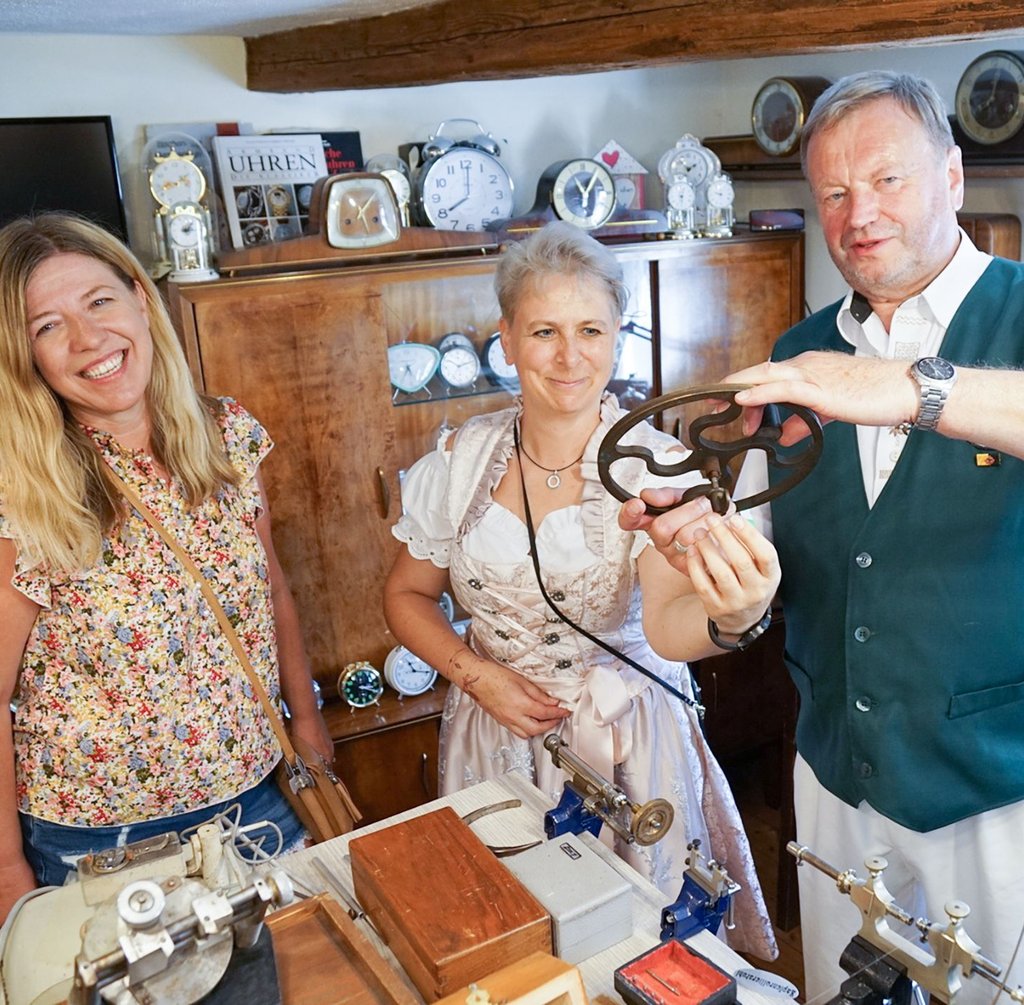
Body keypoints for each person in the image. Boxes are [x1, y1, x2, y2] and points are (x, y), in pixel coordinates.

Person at [623, 72, 1024, 1004]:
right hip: (838, 788)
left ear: (955, 179)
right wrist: (717, 571)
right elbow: (725, 585)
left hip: (998, 797)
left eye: (887, 181)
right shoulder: (797, 355)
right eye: (835, 193)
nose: (858, 214)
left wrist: (901, 388)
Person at [383, 221, 781, 959]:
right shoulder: (459, 461)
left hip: (632, 742)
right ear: (506, 337)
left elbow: (666, 629)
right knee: (518, 944)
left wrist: (734, 616)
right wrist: (482, 678)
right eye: (544, 330)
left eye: (591, 329)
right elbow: (406, 596)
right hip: (495, 735)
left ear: (618, 335)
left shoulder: (658, 469)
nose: (570, 356)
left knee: (647, 952)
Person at [0, 213, 333, 925]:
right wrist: (4, 871)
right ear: (25, 357)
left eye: (99, 301)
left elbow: (271, 587)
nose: (89, 339)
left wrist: (306, 720)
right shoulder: (21, 495)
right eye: (47, 326)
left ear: (140, 300)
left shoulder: (227, 436)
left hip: (261, 793)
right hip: (106, 845)